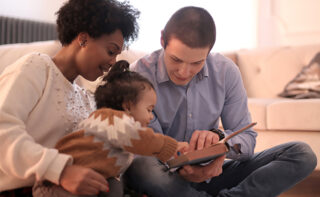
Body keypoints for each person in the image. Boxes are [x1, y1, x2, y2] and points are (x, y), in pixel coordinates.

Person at [124, 6, 317, 197]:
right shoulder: (138, 75)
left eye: (196, 63)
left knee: (302, 154)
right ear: (162, 40)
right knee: (141, 167)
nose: (184, 72)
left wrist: (221, 143)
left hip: (214, 175)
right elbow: (144, 147)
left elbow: (247, 139)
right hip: (164, 177)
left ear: (209, 51)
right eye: (176, 59)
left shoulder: (225, 71)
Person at [0, 0, 140, 196]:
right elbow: (2, 131)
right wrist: (62, 170)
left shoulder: (86, 98)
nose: (112, 62)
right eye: (110, 51)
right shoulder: (36, 67)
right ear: (83, 39)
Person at [32, 60, 189, 197]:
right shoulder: (113, 121)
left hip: (87, 179)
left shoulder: (105, 123)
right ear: (127, 106)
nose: (151, 117)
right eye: (149, 110)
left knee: (113, 185)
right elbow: (142, 139)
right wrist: (171, 146)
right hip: (55, 186)